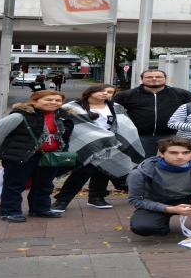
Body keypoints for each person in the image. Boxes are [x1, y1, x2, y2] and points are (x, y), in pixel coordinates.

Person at [51, 84, 145, 212]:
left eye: (110, 92)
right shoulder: (72, 107)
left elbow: (125, 125)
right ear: (90, 91)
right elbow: (66, 124)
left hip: (110, 144)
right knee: (82, 172)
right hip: (86, 144)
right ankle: (62, 200)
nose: (105, 93)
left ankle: (96, 197)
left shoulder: (116, 107)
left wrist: (116, 138)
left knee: (104, 171)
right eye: (102, 91)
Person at [0, 91, 74, 223]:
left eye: (58, 100)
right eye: (48, 99)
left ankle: (40, 209)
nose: (53, 102)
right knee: (15, 184)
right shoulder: (20, 115)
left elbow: (66, 136)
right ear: (34, 101)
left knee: (44, 184)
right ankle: (9, 212)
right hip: (22, 155)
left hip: (51, 156)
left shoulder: (64, 116)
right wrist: (10, 150)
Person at [114, 69, 191, 158]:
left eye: (158, 77)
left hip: (173, 136)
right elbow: (115, 113)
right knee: (143, 162)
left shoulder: (181, 94)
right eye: (149, 77)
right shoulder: (127, 95)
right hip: (140, 136)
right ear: (142, 79)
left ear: (165, 79)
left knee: (174, 160)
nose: (154, 79)